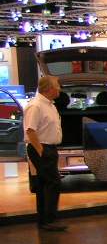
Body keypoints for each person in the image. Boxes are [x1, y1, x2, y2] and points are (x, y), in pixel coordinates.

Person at [25, 75, 65, 232]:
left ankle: (44, 220)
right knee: (53, 182)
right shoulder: (36, 106)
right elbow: (30, 130)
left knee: (43, 184)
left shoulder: (50, 105)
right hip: (41, 148)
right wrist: (41, 151)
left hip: (49, 148)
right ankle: (50, 219)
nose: (59, 88)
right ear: (49, 88)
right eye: (57, 85)